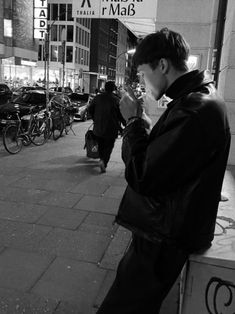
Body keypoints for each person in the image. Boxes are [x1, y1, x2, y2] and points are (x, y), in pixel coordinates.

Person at [97, 28, 231, 313]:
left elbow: (143, 176)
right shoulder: (196, 99)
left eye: (144, 72)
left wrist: (134, 122)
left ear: (162, 65)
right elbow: (169, 160)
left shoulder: (194, 108)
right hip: (168, 225)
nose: (143, 81)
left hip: (164, 234)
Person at [88, 81, 126, 173]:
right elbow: (120, 115)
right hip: (111, 128)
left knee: (101, 145)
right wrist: (124, 124)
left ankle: (101, 159)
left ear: (105, 88)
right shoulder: (116, 100)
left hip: (98, 127)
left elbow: (90, 109)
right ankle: (104, 162)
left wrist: (94, 119)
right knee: (109, 146)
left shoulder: (97, 98)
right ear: (113, 89)